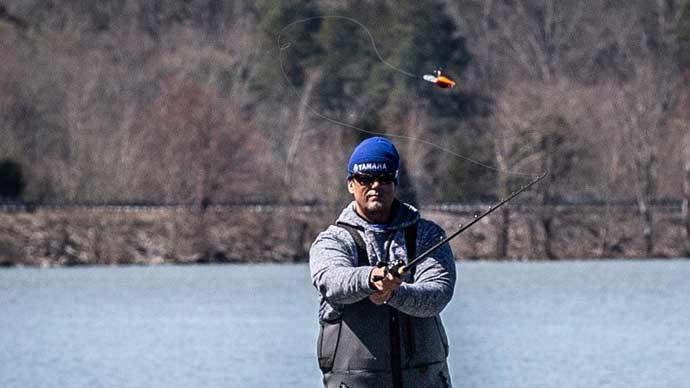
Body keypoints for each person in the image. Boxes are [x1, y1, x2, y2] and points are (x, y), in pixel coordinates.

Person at [309, 136, 457, 388]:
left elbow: (438, 293)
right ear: (351, 185)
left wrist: (394, 293)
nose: (375, 186)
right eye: (365, 179)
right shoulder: (332, 240)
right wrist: (371, 278)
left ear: (395, 183)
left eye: (385, 178)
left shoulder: (429, 235)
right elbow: (330, 280)